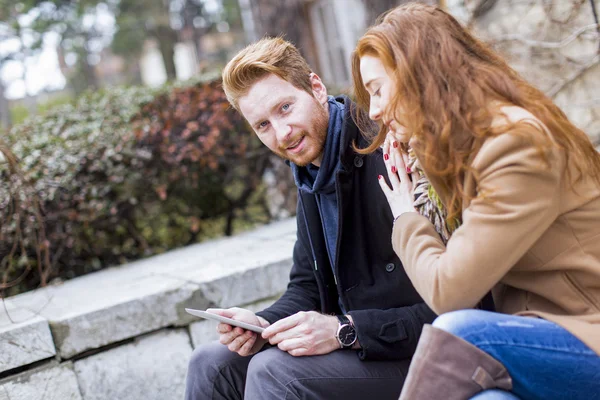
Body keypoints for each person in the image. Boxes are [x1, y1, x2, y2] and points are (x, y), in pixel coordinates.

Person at [351, 3, 600, 400]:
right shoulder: (468, 148)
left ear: (421, 74)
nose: (375, 110)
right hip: (544, 338)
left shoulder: (516, 145)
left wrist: (405, 215)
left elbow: (448, 291)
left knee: (459, 332)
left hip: (586, 334)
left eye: (378, 89)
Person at [184, 37, 437, 400]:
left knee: (274, 372)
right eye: (263, 125)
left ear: (316, 88)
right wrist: (261, 324)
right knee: (211, 363)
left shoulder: (388, 152)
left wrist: (343, 330)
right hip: (362, 348)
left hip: (420, 351)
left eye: (285, 108)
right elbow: (306, 288)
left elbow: (453, 304)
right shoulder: (311, 176)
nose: (282, 134)